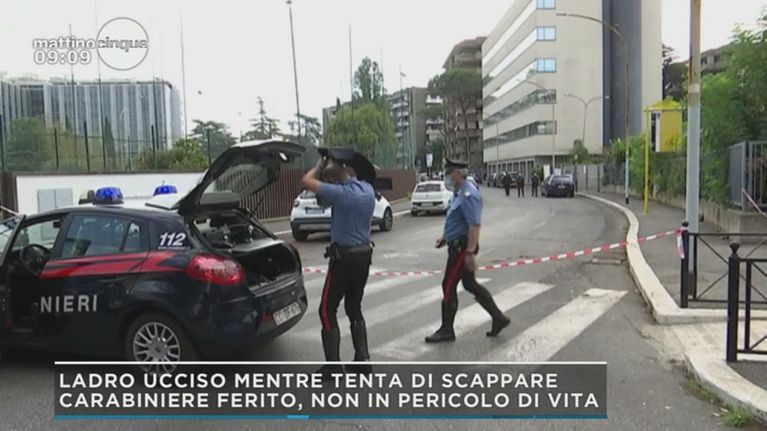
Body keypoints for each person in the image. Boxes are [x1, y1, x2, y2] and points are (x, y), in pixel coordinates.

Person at [302, 148, 376, 376]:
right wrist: (331, 174)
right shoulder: (367, 189)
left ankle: (333, 366)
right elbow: (323, 201)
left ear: (343, 167)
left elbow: (306, 181)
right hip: (364, 256)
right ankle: (363, 360)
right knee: (354, 307)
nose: (328, 165)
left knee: (326, 309)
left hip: (344, 258)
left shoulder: (342, 193)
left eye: (332, 162)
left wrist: (320, 165)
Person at [426, 157, 510, 343]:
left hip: (463, 248)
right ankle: (498, 318)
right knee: (470, 284)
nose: (447, 177)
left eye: (449, 173)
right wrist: (445, 238)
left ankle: (447, 330)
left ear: (457, 174)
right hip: (457, 245)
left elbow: (474, 225)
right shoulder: (458, 193)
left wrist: (470, 253)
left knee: (448, 285)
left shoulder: (468, 195)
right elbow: (457, 220)